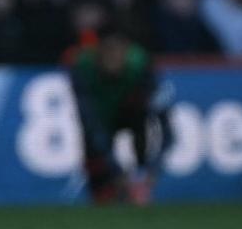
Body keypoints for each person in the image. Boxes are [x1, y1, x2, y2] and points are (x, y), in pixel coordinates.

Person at [68, 23, 173, 205]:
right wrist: (116, 171)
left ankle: (139, 181)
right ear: (98, 52)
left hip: (131, 114)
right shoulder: (83, 67)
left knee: (142, 124)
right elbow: (90, 123)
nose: (113, 57)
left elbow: (167, 129)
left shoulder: (142, 66)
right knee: (94, 153)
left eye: (118, 50)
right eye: (108, 51)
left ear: (127, 50)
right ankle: (106, 193)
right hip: (100, 118)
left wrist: (153, 169)